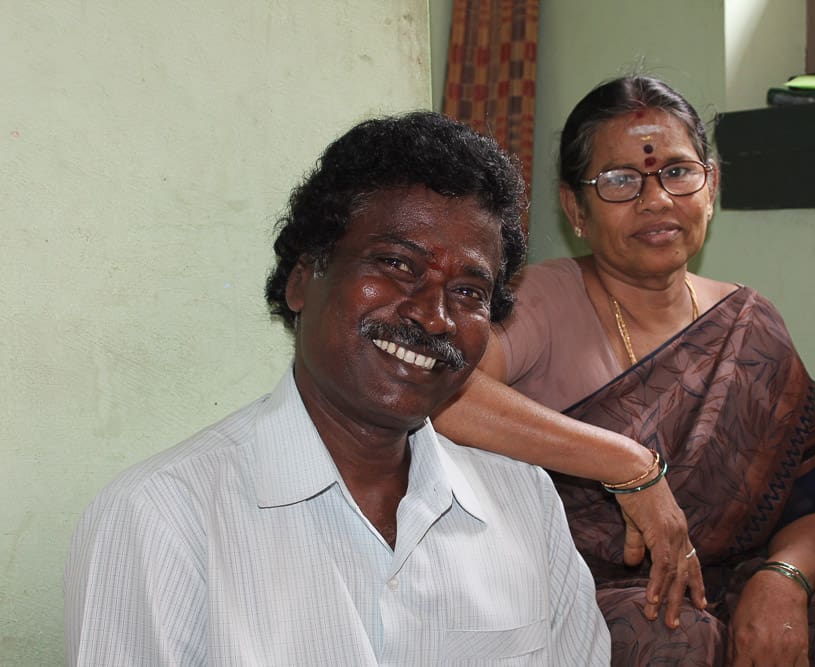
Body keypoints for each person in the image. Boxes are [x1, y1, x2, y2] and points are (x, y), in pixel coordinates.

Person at [63, 111, 611, 666]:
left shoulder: (526, 505)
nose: (434, 315)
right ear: (303, 279)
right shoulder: (162, 519)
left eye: (470, 292)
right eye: (397, 264)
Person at [433, 76, 815, 666]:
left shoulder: (750, 326)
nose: (656, 200)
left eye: (678, 172)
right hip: (577, 593)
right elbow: (442, 393)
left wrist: (783, 579)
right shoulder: (540, 301)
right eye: (620, 181)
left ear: (711, 187)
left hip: (725, 585)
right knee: (666, 632)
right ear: (574, 208)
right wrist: (628, 465)